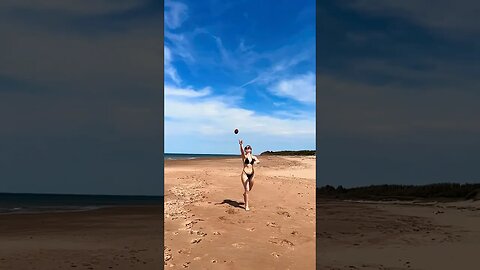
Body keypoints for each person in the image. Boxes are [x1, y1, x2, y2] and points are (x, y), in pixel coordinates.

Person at [239, 139, 259, 211]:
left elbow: (258, 160)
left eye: (249, 148)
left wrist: (256, 162)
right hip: (245, 174)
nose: (248, 149)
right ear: (245, 150)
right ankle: (246, 205)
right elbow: (241, 151)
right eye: (246, 148)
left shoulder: (253, 157)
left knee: (249, 189)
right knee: (247, 189)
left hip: (252, 174)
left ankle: (245, 194)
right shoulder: (244, 156)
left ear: (251, 150)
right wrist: (241, 145)